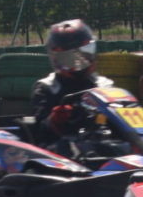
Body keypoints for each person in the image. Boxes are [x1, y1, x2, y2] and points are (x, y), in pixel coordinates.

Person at [28, 19, 112, 149]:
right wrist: (54, 119)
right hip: (63, 148)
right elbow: (40, 131)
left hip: (103, 142)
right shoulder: (47, 88)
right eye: (70, 58)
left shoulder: (103, 85)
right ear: (57, 58)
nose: (80, 61)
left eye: (84, 53)